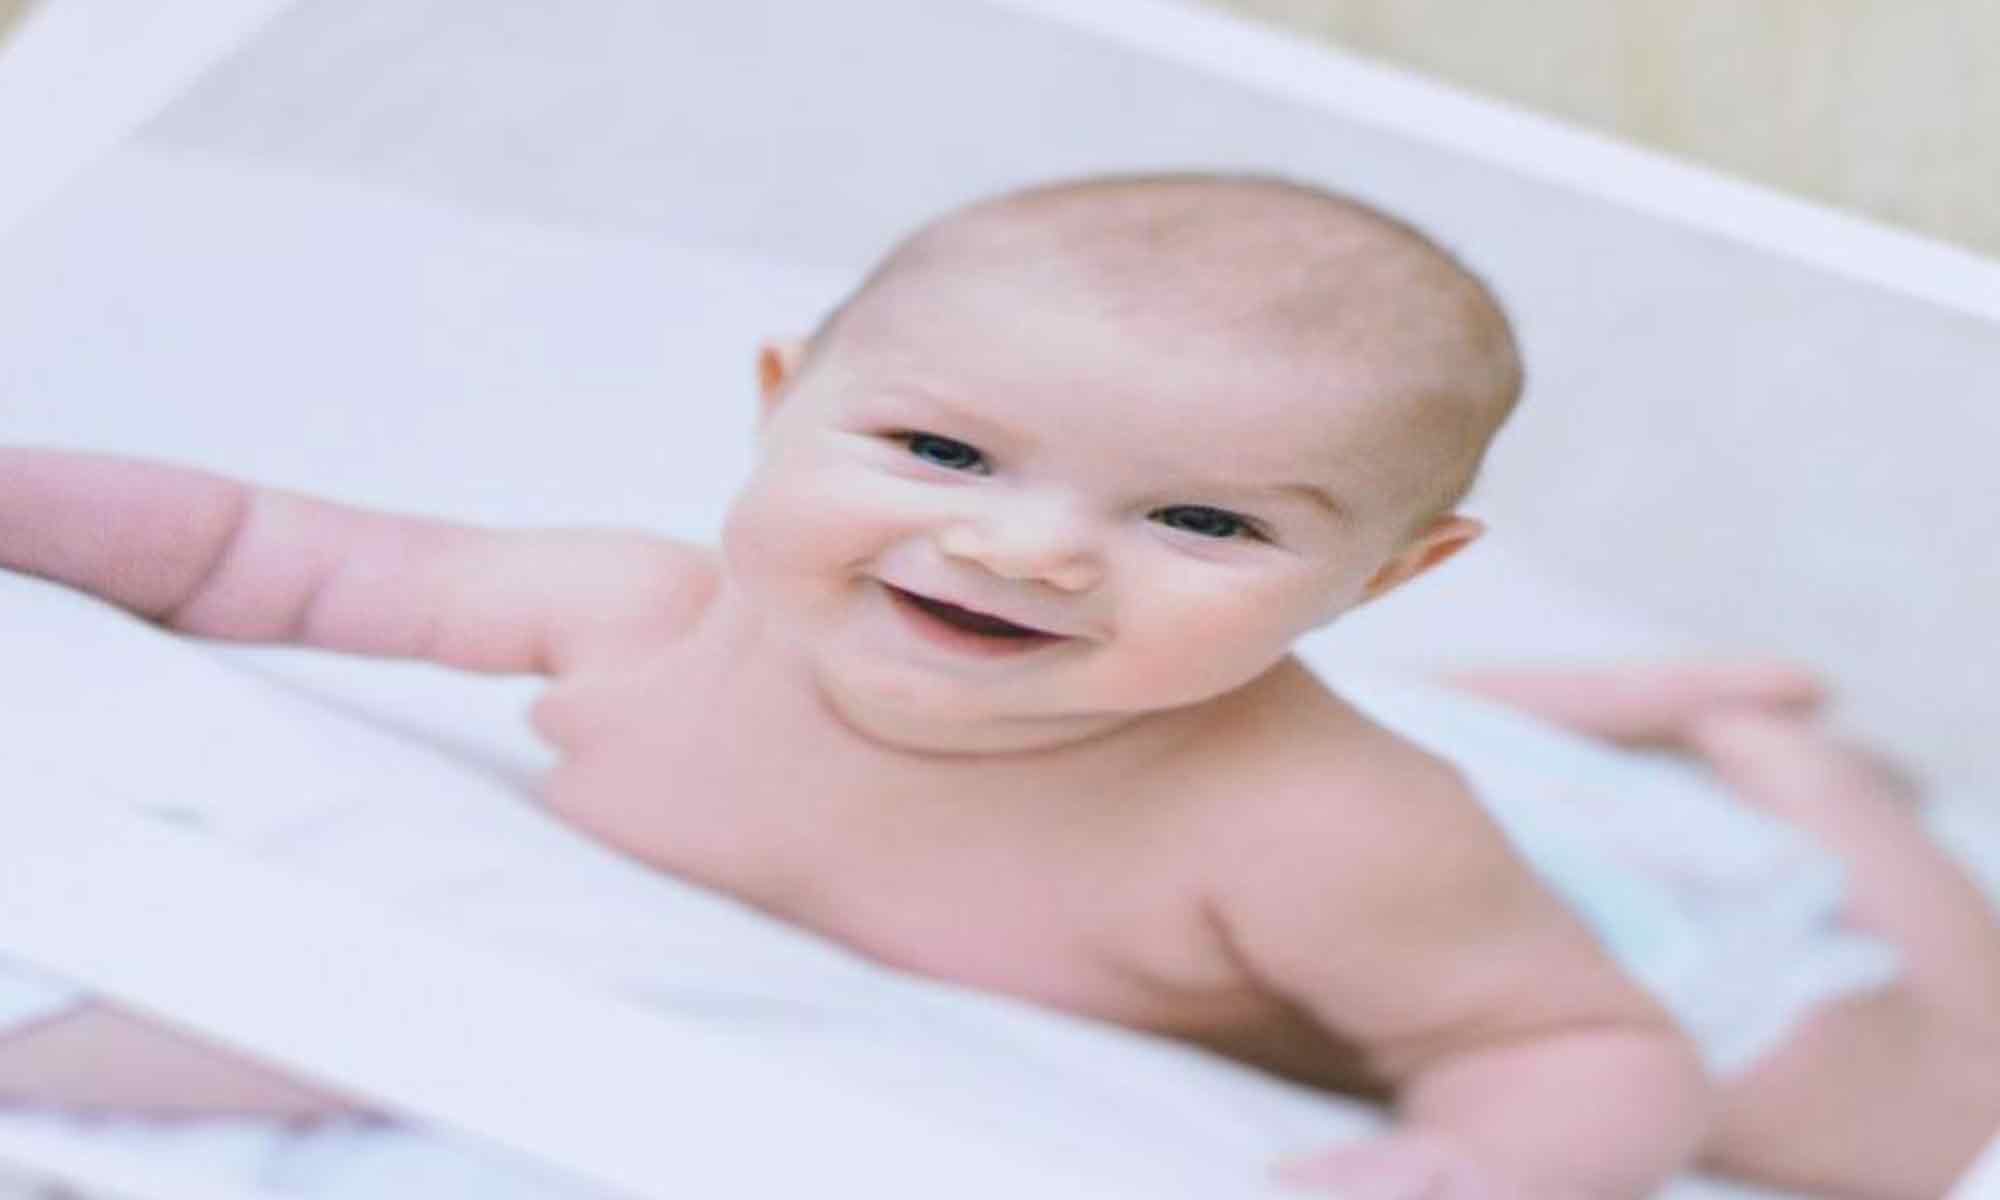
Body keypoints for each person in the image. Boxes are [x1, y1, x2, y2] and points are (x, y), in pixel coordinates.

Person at [0, 173, 1992, 1199]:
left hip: (1634, 929)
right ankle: (1591, 700)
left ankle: (1775, 754)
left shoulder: (1328, 826)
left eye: (1200, 518)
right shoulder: (636, 611)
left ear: (1383, 576)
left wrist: (1496, 1164)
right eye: (942, 452)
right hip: (1331, 750)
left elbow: (1574, 1039)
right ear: (785, 402)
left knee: (1911, 1134)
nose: (1028, 549)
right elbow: (249, 551)